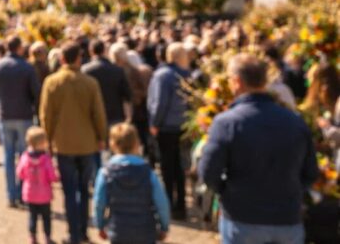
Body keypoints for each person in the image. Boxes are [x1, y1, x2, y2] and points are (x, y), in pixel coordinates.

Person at [198, 54, 319, 244]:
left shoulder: (227, 122)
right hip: (286, 218)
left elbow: (208, 173)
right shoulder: (294, 122)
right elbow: (311, 172)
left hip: (243, 218)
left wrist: (229, 192)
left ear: (237, 82)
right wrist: (290, 191)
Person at [39, 42, 107, 244]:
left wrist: (48, 139)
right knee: (84, 189)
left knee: (69, 190)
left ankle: (73, 233)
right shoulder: (90, 83)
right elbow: (99, 114)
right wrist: (101, 137)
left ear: (62, 59)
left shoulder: (52, 82)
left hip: (63, 144)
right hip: (86, 144)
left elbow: (46, 115)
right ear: (79, 58)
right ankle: (83, 230)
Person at [93, 123, 170, 244]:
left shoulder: (105, 173)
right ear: (136, 143)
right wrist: (164, 227)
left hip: (118, 231)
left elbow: (99, 203)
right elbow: (162, 204)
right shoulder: (148, 172)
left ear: (113, 144)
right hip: (146, 231)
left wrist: (100, 225)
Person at [0, 35, 41, 206]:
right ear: (19, 48)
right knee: (24, 155)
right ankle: (21, 192)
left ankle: (11, 194)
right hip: (23, 115)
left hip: (5, 115)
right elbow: (36, 92)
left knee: (9, 156)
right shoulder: (26, 67)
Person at [147, 42, 191, 220]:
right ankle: (180, 204)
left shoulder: (163, 75)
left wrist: (155, 124)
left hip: (166, 127)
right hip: (182, 126)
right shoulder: (186, 75)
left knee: (168, 168)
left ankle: (169, 204)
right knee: (179, 167)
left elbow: (159, 103)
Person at [16, 126, 57, 244]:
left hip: (30, 194)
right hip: (44, 195)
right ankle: (47, 237)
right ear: (44, 143)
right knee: (46, 217)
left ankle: (32, 237)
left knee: (32, 217)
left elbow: (20, 173)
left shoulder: (25, 157)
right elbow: (52, 176)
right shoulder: (46, 158)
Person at [82, 40, 131, 129]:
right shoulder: (117, 70)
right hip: (115, 116)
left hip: (93, 117)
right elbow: (127, 95)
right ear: (104, 51)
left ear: (90, 51)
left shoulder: (85, 71)